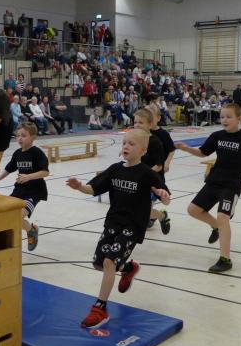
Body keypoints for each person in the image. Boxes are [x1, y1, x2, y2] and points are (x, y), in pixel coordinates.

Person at [66, 129, 171, 328]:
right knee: (99, 263)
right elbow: (93, 189)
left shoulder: (147, 174)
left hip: (133, 226)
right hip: (113, 222)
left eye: (131, 144)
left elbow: (165, 198)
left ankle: (100, 308)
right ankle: (129, 268)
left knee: (109, 262)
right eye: (124, 143)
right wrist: (79, 186)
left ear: (143, 150)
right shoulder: (115, 169)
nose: (125, 146)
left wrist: (163, 195)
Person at [176, 103, 241, 273]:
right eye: (222, 117)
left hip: (231, 186)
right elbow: (202, 152)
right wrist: (187, 149)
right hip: (214, 181)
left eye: (229, 117)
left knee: (223, 217)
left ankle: (225, 259)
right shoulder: (217, 136)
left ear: (239, 119)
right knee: (193, 210)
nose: (224, 120)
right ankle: (215, 227)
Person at [0, 122, 49, 251]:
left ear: (33, 137)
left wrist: (28, 176)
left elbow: (45, 172)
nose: (19, 138)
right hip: (19, 191)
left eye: (23, 135)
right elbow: (8, 169)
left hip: (34, 193)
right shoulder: (17, 153)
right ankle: (30, 230)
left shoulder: (37, 153)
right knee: (7, 214)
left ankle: (31, 231)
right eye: (17, 135)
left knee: (17, 216)